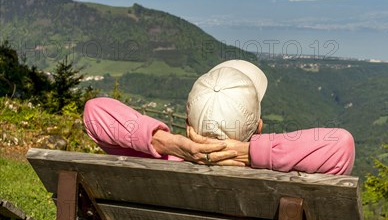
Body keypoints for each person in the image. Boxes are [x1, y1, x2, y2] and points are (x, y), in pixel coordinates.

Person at [83, 60, 355, 175]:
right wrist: (250, 153)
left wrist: (171, 144)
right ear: (258, 128)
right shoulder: (278, 170)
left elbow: (95, 112)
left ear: (188, 125)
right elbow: (340, 144)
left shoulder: (164, 160)